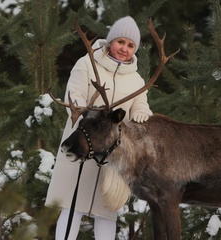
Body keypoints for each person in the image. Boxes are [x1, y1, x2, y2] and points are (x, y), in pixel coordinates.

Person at [45, 16, 153, 240]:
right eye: (120, 42)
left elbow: (141, 106)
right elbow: (73, 98)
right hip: (81, 143)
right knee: (72, 205)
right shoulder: (87, 63)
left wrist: (143, 113)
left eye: (130, 45)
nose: (124, 48)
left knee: (107, 211)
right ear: (111, 41)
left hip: (112, 154)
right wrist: (90, 114)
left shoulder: (137, 80)